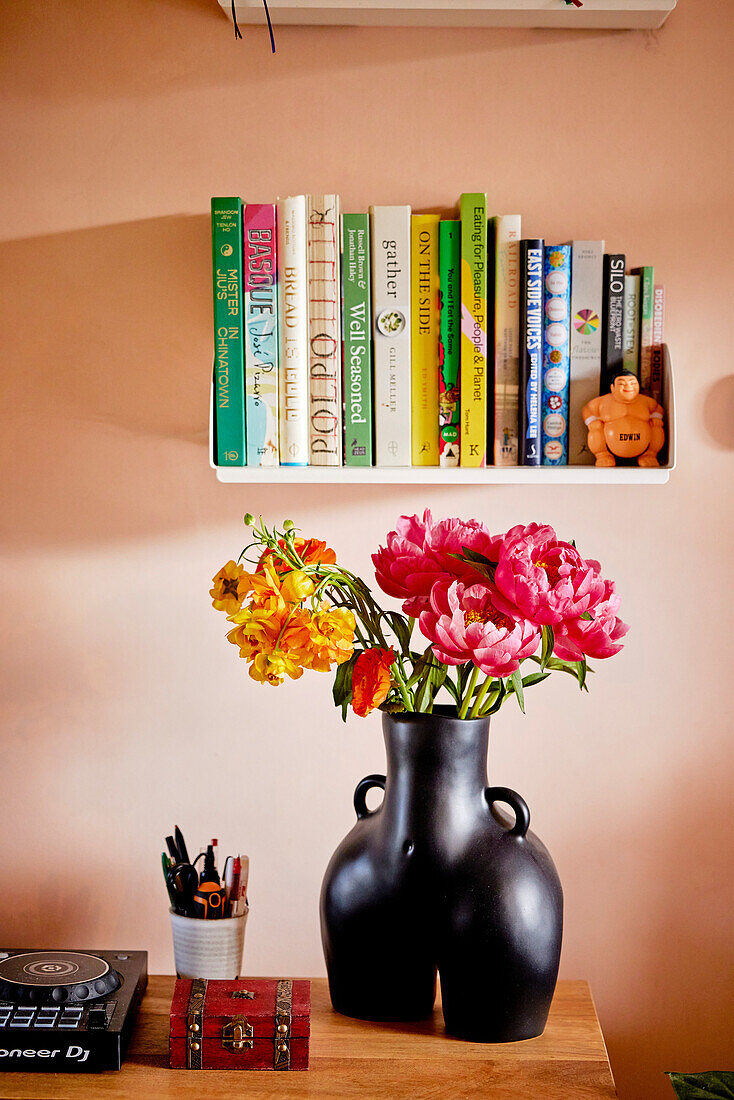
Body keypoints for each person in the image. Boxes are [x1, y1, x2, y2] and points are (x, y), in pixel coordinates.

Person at [582, 370, 665, 467]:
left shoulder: (646, 401)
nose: (628, 387)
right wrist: (591, 421)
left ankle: (650, 455)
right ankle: (602, 455)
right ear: (612, 387)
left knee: (657, 426)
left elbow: (657, 408)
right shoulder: (603, 401)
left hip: (644, 447)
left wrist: (656, 418)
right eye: (622, 383)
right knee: (595, 428)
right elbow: (587, 409)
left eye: (633, 383)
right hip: (609, 448)